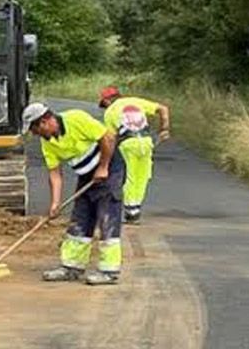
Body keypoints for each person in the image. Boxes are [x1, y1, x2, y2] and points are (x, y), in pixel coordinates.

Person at [23, 102, 126, 285]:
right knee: (80, 217)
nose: (34, 134)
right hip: (86, 175)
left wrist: (102, 168)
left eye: (34, 129)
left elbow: (108, 138)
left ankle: (109, 271)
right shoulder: (47, 143)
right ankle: (72, 266)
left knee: (106, 217)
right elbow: (55, 174)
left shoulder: (76, 119)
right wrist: (55, 203)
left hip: (110, 168)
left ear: (45, 121)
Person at [98, 86, 171, 224]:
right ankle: (135, 208)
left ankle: (131, 210)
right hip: (146, 142)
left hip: (128, 143)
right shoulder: (135, 101)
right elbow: (163, 109)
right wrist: (164, 129)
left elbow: (110, 138)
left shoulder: (110, 112)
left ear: (107, 100)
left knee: (130, 176)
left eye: (103, 103)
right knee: (142, 176)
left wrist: (106, 161)